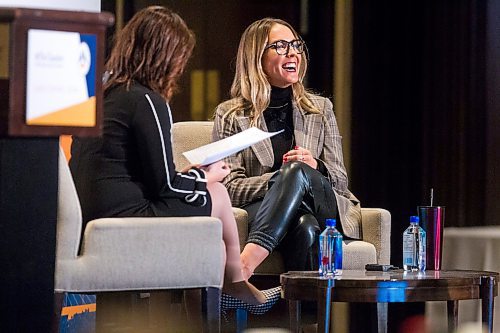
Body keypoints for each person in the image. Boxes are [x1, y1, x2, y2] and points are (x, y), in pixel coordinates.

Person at [69, 6, 279, 314]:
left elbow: (137, 173)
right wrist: (205, 176)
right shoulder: (146, 100)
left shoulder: (106, 94)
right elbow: (165, 187)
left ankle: (226, 287)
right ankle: (235, 282)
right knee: (218, 193)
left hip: (93, 214)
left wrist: (192, 175)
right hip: (127, 217)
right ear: (166, 55)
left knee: (207, 197)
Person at [212, 18, 362, 279]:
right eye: (280, 46)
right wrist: (282, 179)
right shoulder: (231, 115)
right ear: (256, 56)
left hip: (324, 205)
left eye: (296, 45)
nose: (293, 53)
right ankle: (308, 320)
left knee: (298, 172)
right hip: (264, 209)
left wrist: (314, 167)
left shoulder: (320, 109)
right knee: (305, 226)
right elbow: (229, 188)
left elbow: (339, 180)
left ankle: (246, 264)